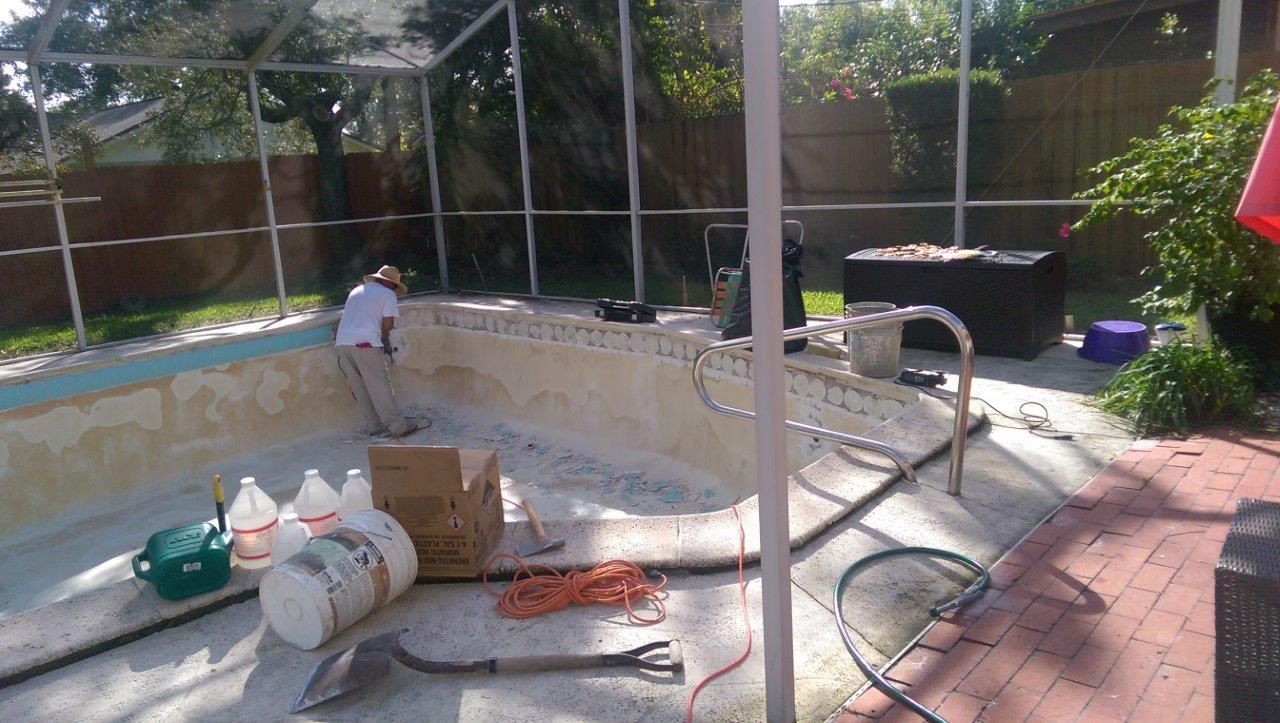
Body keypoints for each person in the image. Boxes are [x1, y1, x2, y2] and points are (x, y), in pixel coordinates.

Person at [335, 265, 418, 438]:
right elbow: (387, 325)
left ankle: (373, 426)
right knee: (379, 385)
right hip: (365, 344)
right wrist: (383, 337)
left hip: (342, 343)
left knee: (359, 387)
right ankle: (397, 426)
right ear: (392, 285)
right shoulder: (387, 295)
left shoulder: (357, 290)